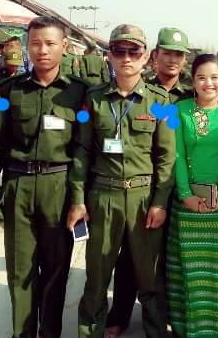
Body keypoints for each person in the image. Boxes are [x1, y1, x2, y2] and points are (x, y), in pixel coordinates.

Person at [0, 16, 89, 338]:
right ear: (27, 46)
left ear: (64, 47)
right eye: (36, 43)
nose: (43, 50)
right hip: (19, 186)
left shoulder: (79, 96)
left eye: (51, 43)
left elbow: (82, 146)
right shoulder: (8, 92)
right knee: (21, 267)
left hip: (59, 186)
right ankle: (22, 332)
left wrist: (79, 199)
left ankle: (49, 330)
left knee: (56, 268)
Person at [74, 23, 175, 338]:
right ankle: (89, 331)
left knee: (150, 276)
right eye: (120, 51)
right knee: (97, 274)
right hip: (103, 196)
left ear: (146, 57)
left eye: (134, 52)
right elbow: (81, 152)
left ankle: (155, 331)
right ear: (110, 56)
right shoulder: (93, 101)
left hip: (143, 198)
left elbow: (166, 158)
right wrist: (78, 199)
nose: (127, 58)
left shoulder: (161, 102)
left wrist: (159, 202)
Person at [104, 26, 192, 337]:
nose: (172, 59)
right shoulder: (137, 88)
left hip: (180, 190)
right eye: (166, 52)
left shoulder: (192, 95)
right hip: (141, 190)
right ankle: (120, 314)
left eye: (178, 54)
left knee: (164, 262)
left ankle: (165, 316)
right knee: (130, 258)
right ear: (153, 56)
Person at [166, 53, 218, 337]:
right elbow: (176, 154)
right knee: (186, 270)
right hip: (185, 206)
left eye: (214, 77)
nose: (208, 83)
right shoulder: (179, 110)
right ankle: (186, 326)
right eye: (202, 77)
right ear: (193, 80)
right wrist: (186, 194)